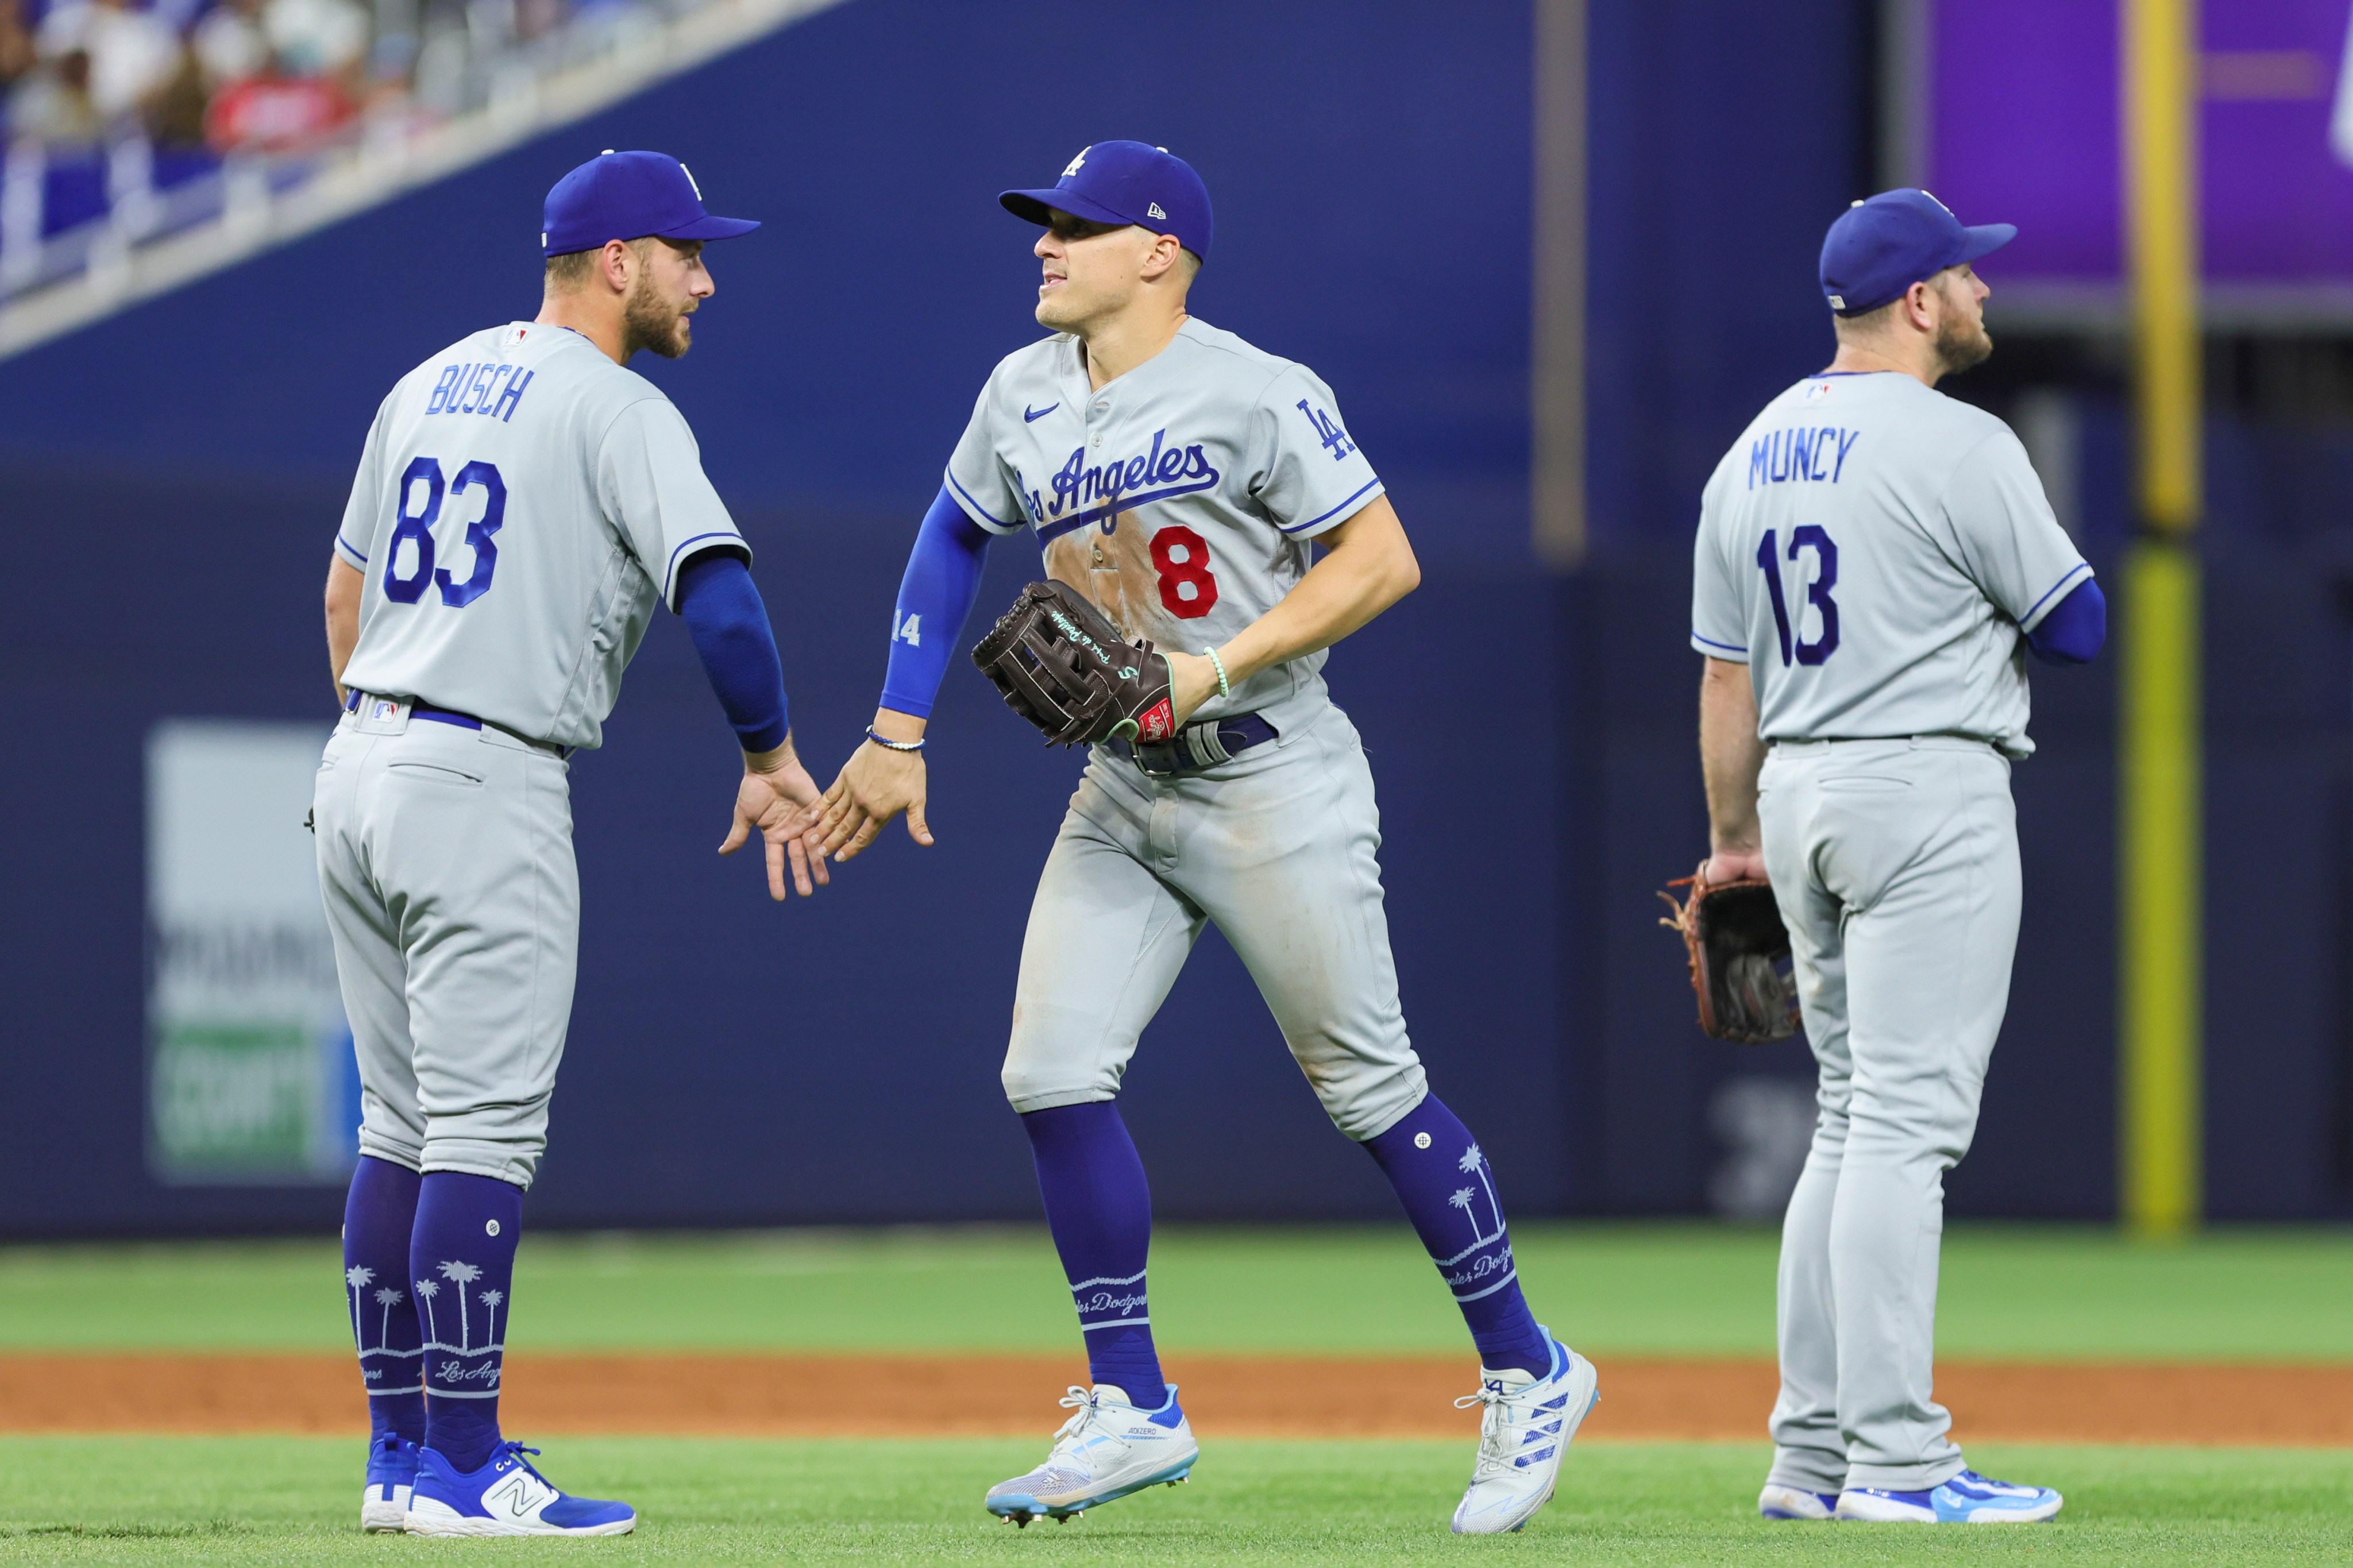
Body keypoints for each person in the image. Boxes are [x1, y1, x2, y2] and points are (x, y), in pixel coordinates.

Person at [813, 141, 1598, 1536]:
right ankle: (1131, 1405)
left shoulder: (1254, 389)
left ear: (1158, 249)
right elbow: (948, 535)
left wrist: (1217, 665)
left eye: (1076, 226)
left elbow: (1381, 559)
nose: (1045, 245)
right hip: (1120, 787)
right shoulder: (1021, 391)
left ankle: (1529, 1370)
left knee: (1369, 1091)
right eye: (1042, 225)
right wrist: (895, 727)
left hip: (1268, 775)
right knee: (1048, 1071)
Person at [315, 149, 826, 1537]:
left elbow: (345, 593)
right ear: (617, 262)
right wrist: (771, 758)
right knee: (477, 1131)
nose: (704, 278)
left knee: (398, 1127)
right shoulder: (617, 402)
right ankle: (470, 1469)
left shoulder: (425, 380)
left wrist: (386, 737)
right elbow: (718, 601)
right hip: (482, 776)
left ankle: (400, 1459)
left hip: (362, 759)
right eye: (686, 252)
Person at [1688, 188, 2104, 1525]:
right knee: (1903, 1133)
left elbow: (1721, 678)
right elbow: (2078, 623)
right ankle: (1895, 1461)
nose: (1983, 296)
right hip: (1922, 783)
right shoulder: (1955, 440)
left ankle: (1808, 1458)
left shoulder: (1745, 453)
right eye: (1966, 280)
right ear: (1918, 301)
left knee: (1851, 1122)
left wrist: (1730, 844)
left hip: (1797, 796)